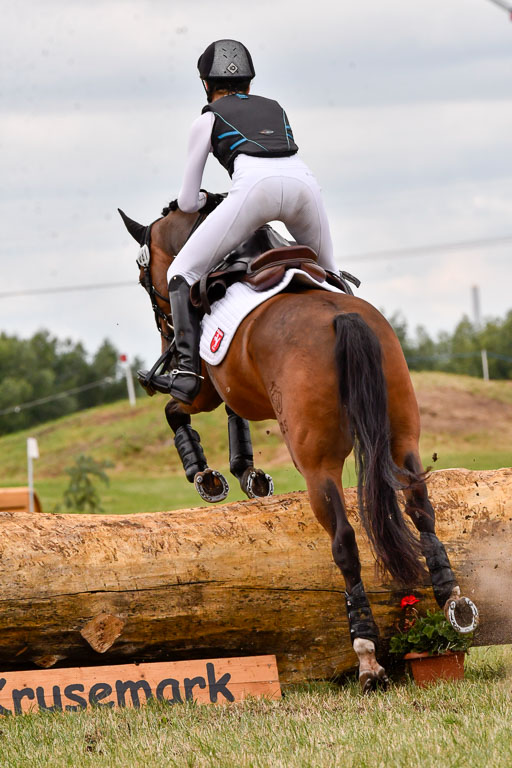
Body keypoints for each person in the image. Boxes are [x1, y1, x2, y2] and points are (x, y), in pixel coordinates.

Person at [148, 39, 339, 404]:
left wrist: (207, 199)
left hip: (254, 192)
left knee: (180, 273)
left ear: (206, 84)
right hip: (306, 191)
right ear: (250, 83)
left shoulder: (206, 119)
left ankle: (187, 374)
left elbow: (187, 202)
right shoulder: (277, 109)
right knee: (331, 274)